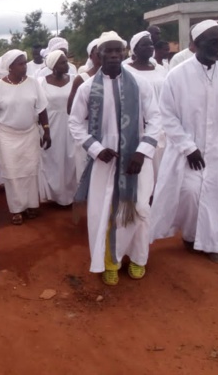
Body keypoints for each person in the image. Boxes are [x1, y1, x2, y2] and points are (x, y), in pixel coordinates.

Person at [150, 20, 218, 263]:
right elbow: (168, 114)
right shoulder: (177, 75)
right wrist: (188, 147)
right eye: (213, 42)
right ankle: (190, 234)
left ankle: (212, 242)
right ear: (196, 45)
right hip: (186, 146)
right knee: (189, 192)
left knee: (217, 194)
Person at [69, 31, 161, 285]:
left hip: (136, 162)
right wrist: (97, 149)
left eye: (117, 50)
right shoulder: (87, 87)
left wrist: (142, 152)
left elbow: (155, 119)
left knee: (140, 209)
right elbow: (75, 123)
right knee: (107, 212)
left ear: (124, 53)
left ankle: (139, 259)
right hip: (105, 163)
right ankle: (111, 260)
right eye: (107, 51)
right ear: (98, 56)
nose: (112, 55)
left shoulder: (141, 84)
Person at [0, 49, 50, 225]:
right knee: (12, 172)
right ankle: (16, 209)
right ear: (10, 67)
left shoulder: (33, 83)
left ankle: (31, 205)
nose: (25, 66)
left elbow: (42, 108)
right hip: (7, 135)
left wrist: (46, 130)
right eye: (21, 63)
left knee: (30, 169)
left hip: (30, 133)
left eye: (24, 62)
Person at [38, 51, 78, 207]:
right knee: (52, 159)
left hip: (71, 125)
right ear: (53, 66)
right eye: (62, 62)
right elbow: (39, 107)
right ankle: (54, 195)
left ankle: (70, 195)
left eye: (66, 61)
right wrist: (44, 129)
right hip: (50, 125)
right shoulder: (41, 82)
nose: (66, 65)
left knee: (71, 158)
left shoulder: (74, 80)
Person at [124, 31, 168, 178]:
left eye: (151, 44)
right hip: (141, 126)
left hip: (164, 123)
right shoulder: (127, 70)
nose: (150, 47)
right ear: (134, 49)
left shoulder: (160, 69)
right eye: (144, 44)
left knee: (164, 167)